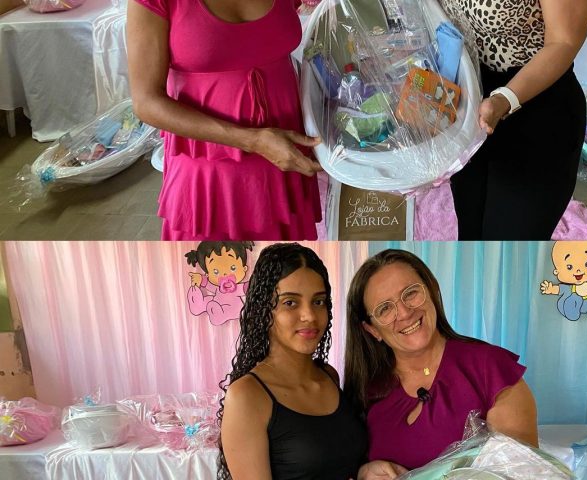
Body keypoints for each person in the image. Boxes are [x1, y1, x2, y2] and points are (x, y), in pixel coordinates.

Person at [127, 0, 322, 240]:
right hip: (211, 175)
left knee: (283, 259)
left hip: (286, 163)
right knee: (218, 261)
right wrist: (252, 140)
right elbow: (146, 102)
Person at [344, 249, 538, 478]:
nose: (404, 313)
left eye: (411, 293)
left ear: (432, 290)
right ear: (372, 329)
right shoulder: (365, 391)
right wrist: (364, 472)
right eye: (385, 308)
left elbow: (521, 474)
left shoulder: (490, 371)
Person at [444, 0, 587, 239]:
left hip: (537, 112)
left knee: (510, 246)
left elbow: (564, 42)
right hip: (471, 104)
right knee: (470, 233)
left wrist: (503, 100)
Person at [217, 243, 367, 480]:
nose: (309, 316)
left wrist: (366, 471)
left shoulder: (329, 375)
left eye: (318, 301)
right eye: (290, 302)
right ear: (264, 311)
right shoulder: (247, 396)